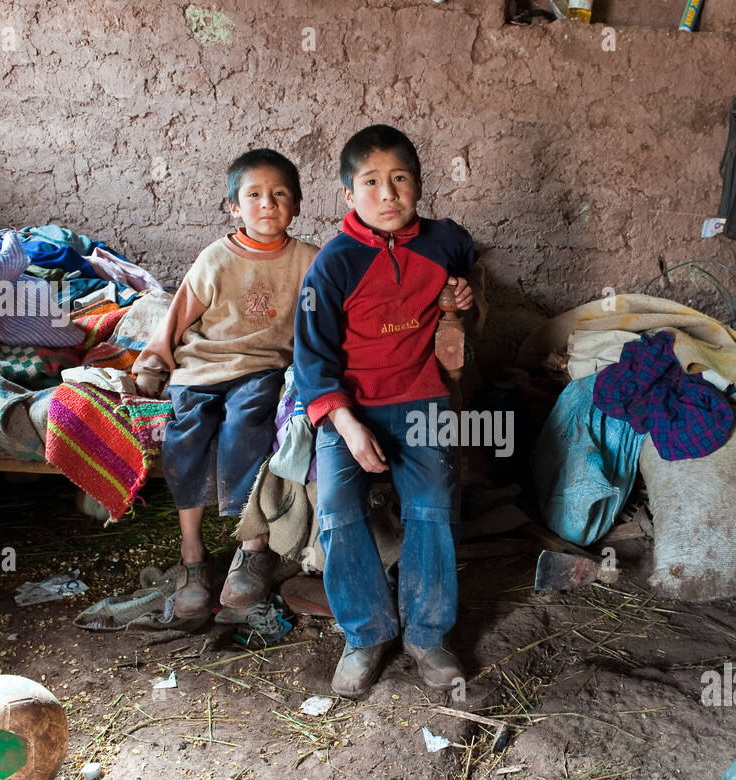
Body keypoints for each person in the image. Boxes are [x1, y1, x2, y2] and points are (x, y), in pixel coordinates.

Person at [294, 124, 481, 697]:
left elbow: (465, 262)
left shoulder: (442, 240)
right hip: (349, 407)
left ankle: (427, 634)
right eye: (371, 182)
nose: (388, 194)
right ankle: (367, 632)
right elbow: (311, 359)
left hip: (421, 397)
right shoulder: (334, 264)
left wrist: (461, 292)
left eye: (400, 179)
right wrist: (346, 424)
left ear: (419, 187)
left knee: (431, 504)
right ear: (349, 196)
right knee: (337, 506)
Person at [134, 149, 319, 617]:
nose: (267, 204)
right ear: (234, 207)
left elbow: (331, 320)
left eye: (280, 195)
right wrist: (153, 367)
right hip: (201, 367)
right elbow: (175, 320)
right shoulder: (215, 258)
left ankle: (251, 549)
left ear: (296, 205)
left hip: (262, 369)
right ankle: (192, 556)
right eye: (253, 195)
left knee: (247, 423)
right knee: (185, 432)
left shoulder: (309, 262)